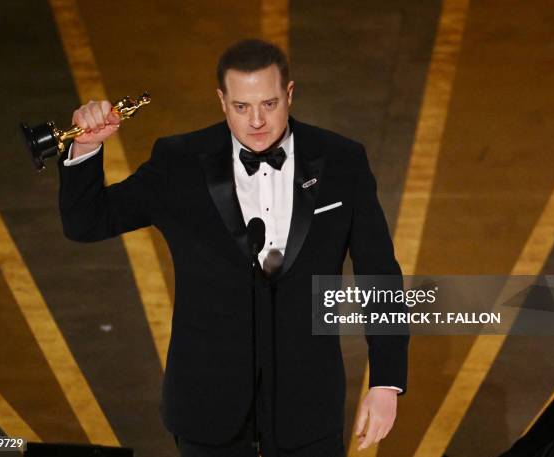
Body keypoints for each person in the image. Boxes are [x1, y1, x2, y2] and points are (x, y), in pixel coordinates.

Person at [58, 38, 408, 457]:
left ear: (290, 94)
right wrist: (86, 145)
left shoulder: (342, 161)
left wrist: (386, 383)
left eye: (269, 103)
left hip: (308, 407)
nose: (256, 121)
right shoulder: (179, 163)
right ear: (221, 100)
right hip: (206, 406)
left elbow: (379, 275)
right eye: (241, 107)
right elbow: (87, 221)